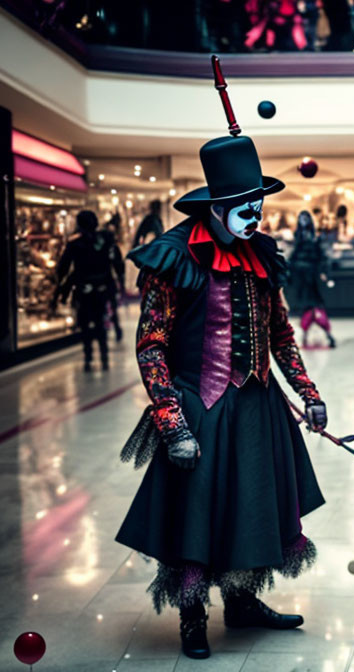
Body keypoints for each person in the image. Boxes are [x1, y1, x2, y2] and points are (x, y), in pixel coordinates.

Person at [116, 130, 329, 660]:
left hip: (257, 407)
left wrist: (309, 392)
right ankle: (193, 618)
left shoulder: (261, 256)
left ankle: (242, 602)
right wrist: (172, 422)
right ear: (217, 205)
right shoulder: (174, 257)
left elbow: (280, 333)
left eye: (259, 205)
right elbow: (151, 346)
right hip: (199, 407)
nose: (255, 216)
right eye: (244, 207)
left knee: (252, 508)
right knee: (199, 515)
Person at [52, 210, 116, 372]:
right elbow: (112, 263)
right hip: (100, 289)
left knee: (86, 325)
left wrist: (59, 287)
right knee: (100, 323)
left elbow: (63, 268)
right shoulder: (104, 239)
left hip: (84, 290)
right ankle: (104, 356)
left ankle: (89, 357)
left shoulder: (76, 243)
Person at [289, 210, 335, 348]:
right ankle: (322, 335)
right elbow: (322, 256)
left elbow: (294, 257)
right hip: (308, 276)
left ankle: (308, 336)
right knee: (313, 306)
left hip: (306, 276)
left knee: (309, 306)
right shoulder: (311, 237)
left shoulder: (302, 238)